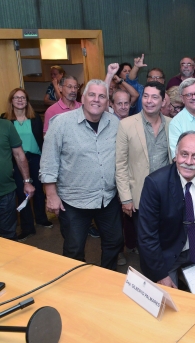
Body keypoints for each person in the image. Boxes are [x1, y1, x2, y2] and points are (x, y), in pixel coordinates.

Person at [40, 79, 123, 270]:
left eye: (102, 96)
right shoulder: (61, 123)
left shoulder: (114, 123)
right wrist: (51, 195)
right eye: (92, 95)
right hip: (73, 200)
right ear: (83, 97)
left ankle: (107, 278)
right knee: (74, 249)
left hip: (106, 197)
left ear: (107, 101)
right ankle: (75, 289)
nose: (96, 100)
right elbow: (48, 160)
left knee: (114, 242)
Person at [137, 131, 195, 287]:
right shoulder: (155, 183)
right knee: (169, 305)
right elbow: (147, 236)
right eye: (184, 154)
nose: (188, 161)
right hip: (166, 253)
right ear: (175, 155)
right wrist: (161, 275)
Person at [115, 82, 171, 260]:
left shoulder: (172, 125)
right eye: (146, 96)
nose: (149, 101)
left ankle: (166, 278)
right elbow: (121, 163)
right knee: (146, 243)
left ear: (163, 101)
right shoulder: (126, 125)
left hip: (168, 195)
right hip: (140, 196)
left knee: (168, 239)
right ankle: (150, 280)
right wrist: (126, 198)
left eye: (155, 97)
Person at [1, 88, 50, 241]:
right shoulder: (5, 120)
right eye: (16, 97)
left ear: (27, 101)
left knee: (39, 192)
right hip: (16, 161)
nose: (20, 100)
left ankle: (41, 219)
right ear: (11, 101)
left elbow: (41, 141)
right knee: (22, 193)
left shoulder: (34, 118)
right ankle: (28, 227)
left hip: (35, 158)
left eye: (23, 97)